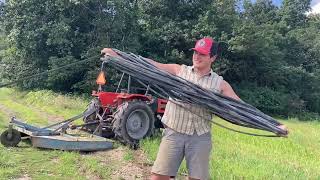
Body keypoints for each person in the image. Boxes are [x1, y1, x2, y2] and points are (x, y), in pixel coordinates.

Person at [101, 37, 288, 180]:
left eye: (203, 54)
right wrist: (118, 55)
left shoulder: (220, 84)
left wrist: (273, 125)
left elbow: (242, 108)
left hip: (200, 138)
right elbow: (151, 65)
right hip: (174, 133)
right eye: (195, 52)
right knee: (158, 176)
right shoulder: (178, 71)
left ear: (213, 57)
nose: (197, 56)